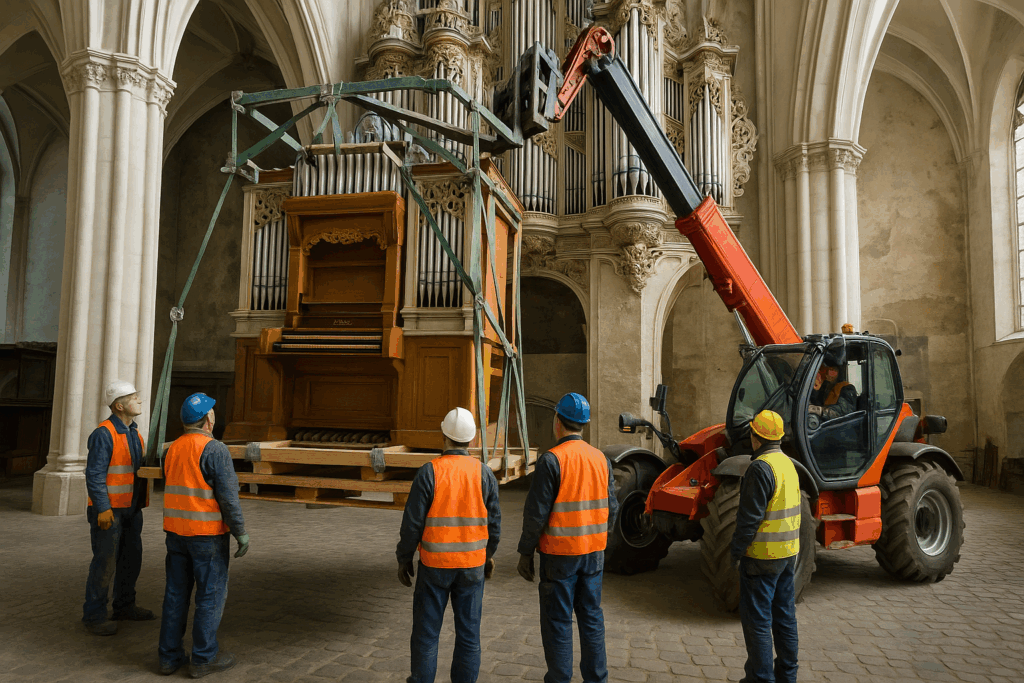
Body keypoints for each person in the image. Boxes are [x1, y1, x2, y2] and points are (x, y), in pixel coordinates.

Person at [516, 392, 619, 683]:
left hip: (559, 556)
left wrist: (526, 552)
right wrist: (599, 540)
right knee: (591, 617)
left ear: (557, 421)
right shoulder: (601, 459)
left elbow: (536, 514)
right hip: (593, 555)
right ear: (583, 425)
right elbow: (612, 507)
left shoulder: (552, 460)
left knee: (558, 622)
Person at [396, 407, 501, 683]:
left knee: (426, 635)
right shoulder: (484, 474)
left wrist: (404, 558)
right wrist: (487, 556)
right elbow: (494, 525)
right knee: (469, 636)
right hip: (471, 567)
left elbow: (412, 524)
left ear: (443, 436)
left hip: (434, 567)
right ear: (472, 439)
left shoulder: (429, 473)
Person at [158, 393, 249, 678]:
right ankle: (203, 659)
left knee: (175, 595)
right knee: (210, 595)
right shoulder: (215, 449)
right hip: (206, 536)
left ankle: (168, 658)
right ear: (208, 418)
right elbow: (228, 499)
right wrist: (240, 532)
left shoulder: (170, 449)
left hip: (176, 533)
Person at [731, 410, 801, 683]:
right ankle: (787, 676)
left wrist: (735, 553)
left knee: (758, 622)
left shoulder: (760, 468)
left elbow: (748, 520)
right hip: (788, 555)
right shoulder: (788, 464)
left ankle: (761, 679)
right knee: (785, 618)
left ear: (755, 437)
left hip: (761, 558)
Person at [82, 380, 156, 635]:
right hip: (109, 511)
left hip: (131, 509)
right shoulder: (104, 434)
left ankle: (124, 606)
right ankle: (94, 616)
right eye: (134, 398)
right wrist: (102, 508)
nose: (140, 400)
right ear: (119, 406)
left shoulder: (135, 433)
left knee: (130, 560)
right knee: (105, 564)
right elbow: (94, 474)